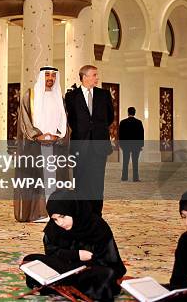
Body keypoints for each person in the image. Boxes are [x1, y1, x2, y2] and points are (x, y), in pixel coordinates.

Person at [22, 190, 126, 302]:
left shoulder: (97, 227)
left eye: (62, 216)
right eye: (55, 219)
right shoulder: (54, 228)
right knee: (30, 260)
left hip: (88, 271)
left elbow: (110, 261)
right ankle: (70, 286)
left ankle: (59, 286)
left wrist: (86, 262)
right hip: (65, 268)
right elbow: (52, 253)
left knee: (106, 275)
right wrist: (76, 255)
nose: (60, 223)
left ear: (74, 209)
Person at [14, 66, 69, 222]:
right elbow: (24, 119)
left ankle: (53, 212)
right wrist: (38, 135)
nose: (50, 78)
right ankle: (37, 213)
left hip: (55, 144)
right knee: (37, 179)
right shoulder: (30, 96)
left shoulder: (59, 98)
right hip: (35, 145)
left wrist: (57, 135)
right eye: (47, 75)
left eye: (53, 75)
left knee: (53, 178)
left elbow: (64, 122)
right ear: (41, 76)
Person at [64, 65, 114, 216]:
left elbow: (110, 117)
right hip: (80, 145)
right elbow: (70, 119)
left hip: (99, 146)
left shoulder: (104, 95)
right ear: (84, 77)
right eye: (94, 75)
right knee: (80, 181)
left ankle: (96, 214)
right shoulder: (71, 96)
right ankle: (81, 213)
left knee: (97, 182)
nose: (97, 78)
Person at [118, 107, 144, 182]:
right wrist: (141, 145)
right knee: (135, 162)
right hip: (136, 146)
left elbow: (121, 135)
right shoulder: (139, 122)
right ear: (134, 113)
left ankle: (124, 177)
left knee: (125, 162)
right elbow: (141, 135)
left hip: (126, 145)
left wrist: (121, 145)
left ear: (128, 112)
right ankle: (135, 178)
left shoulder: (123, 122)